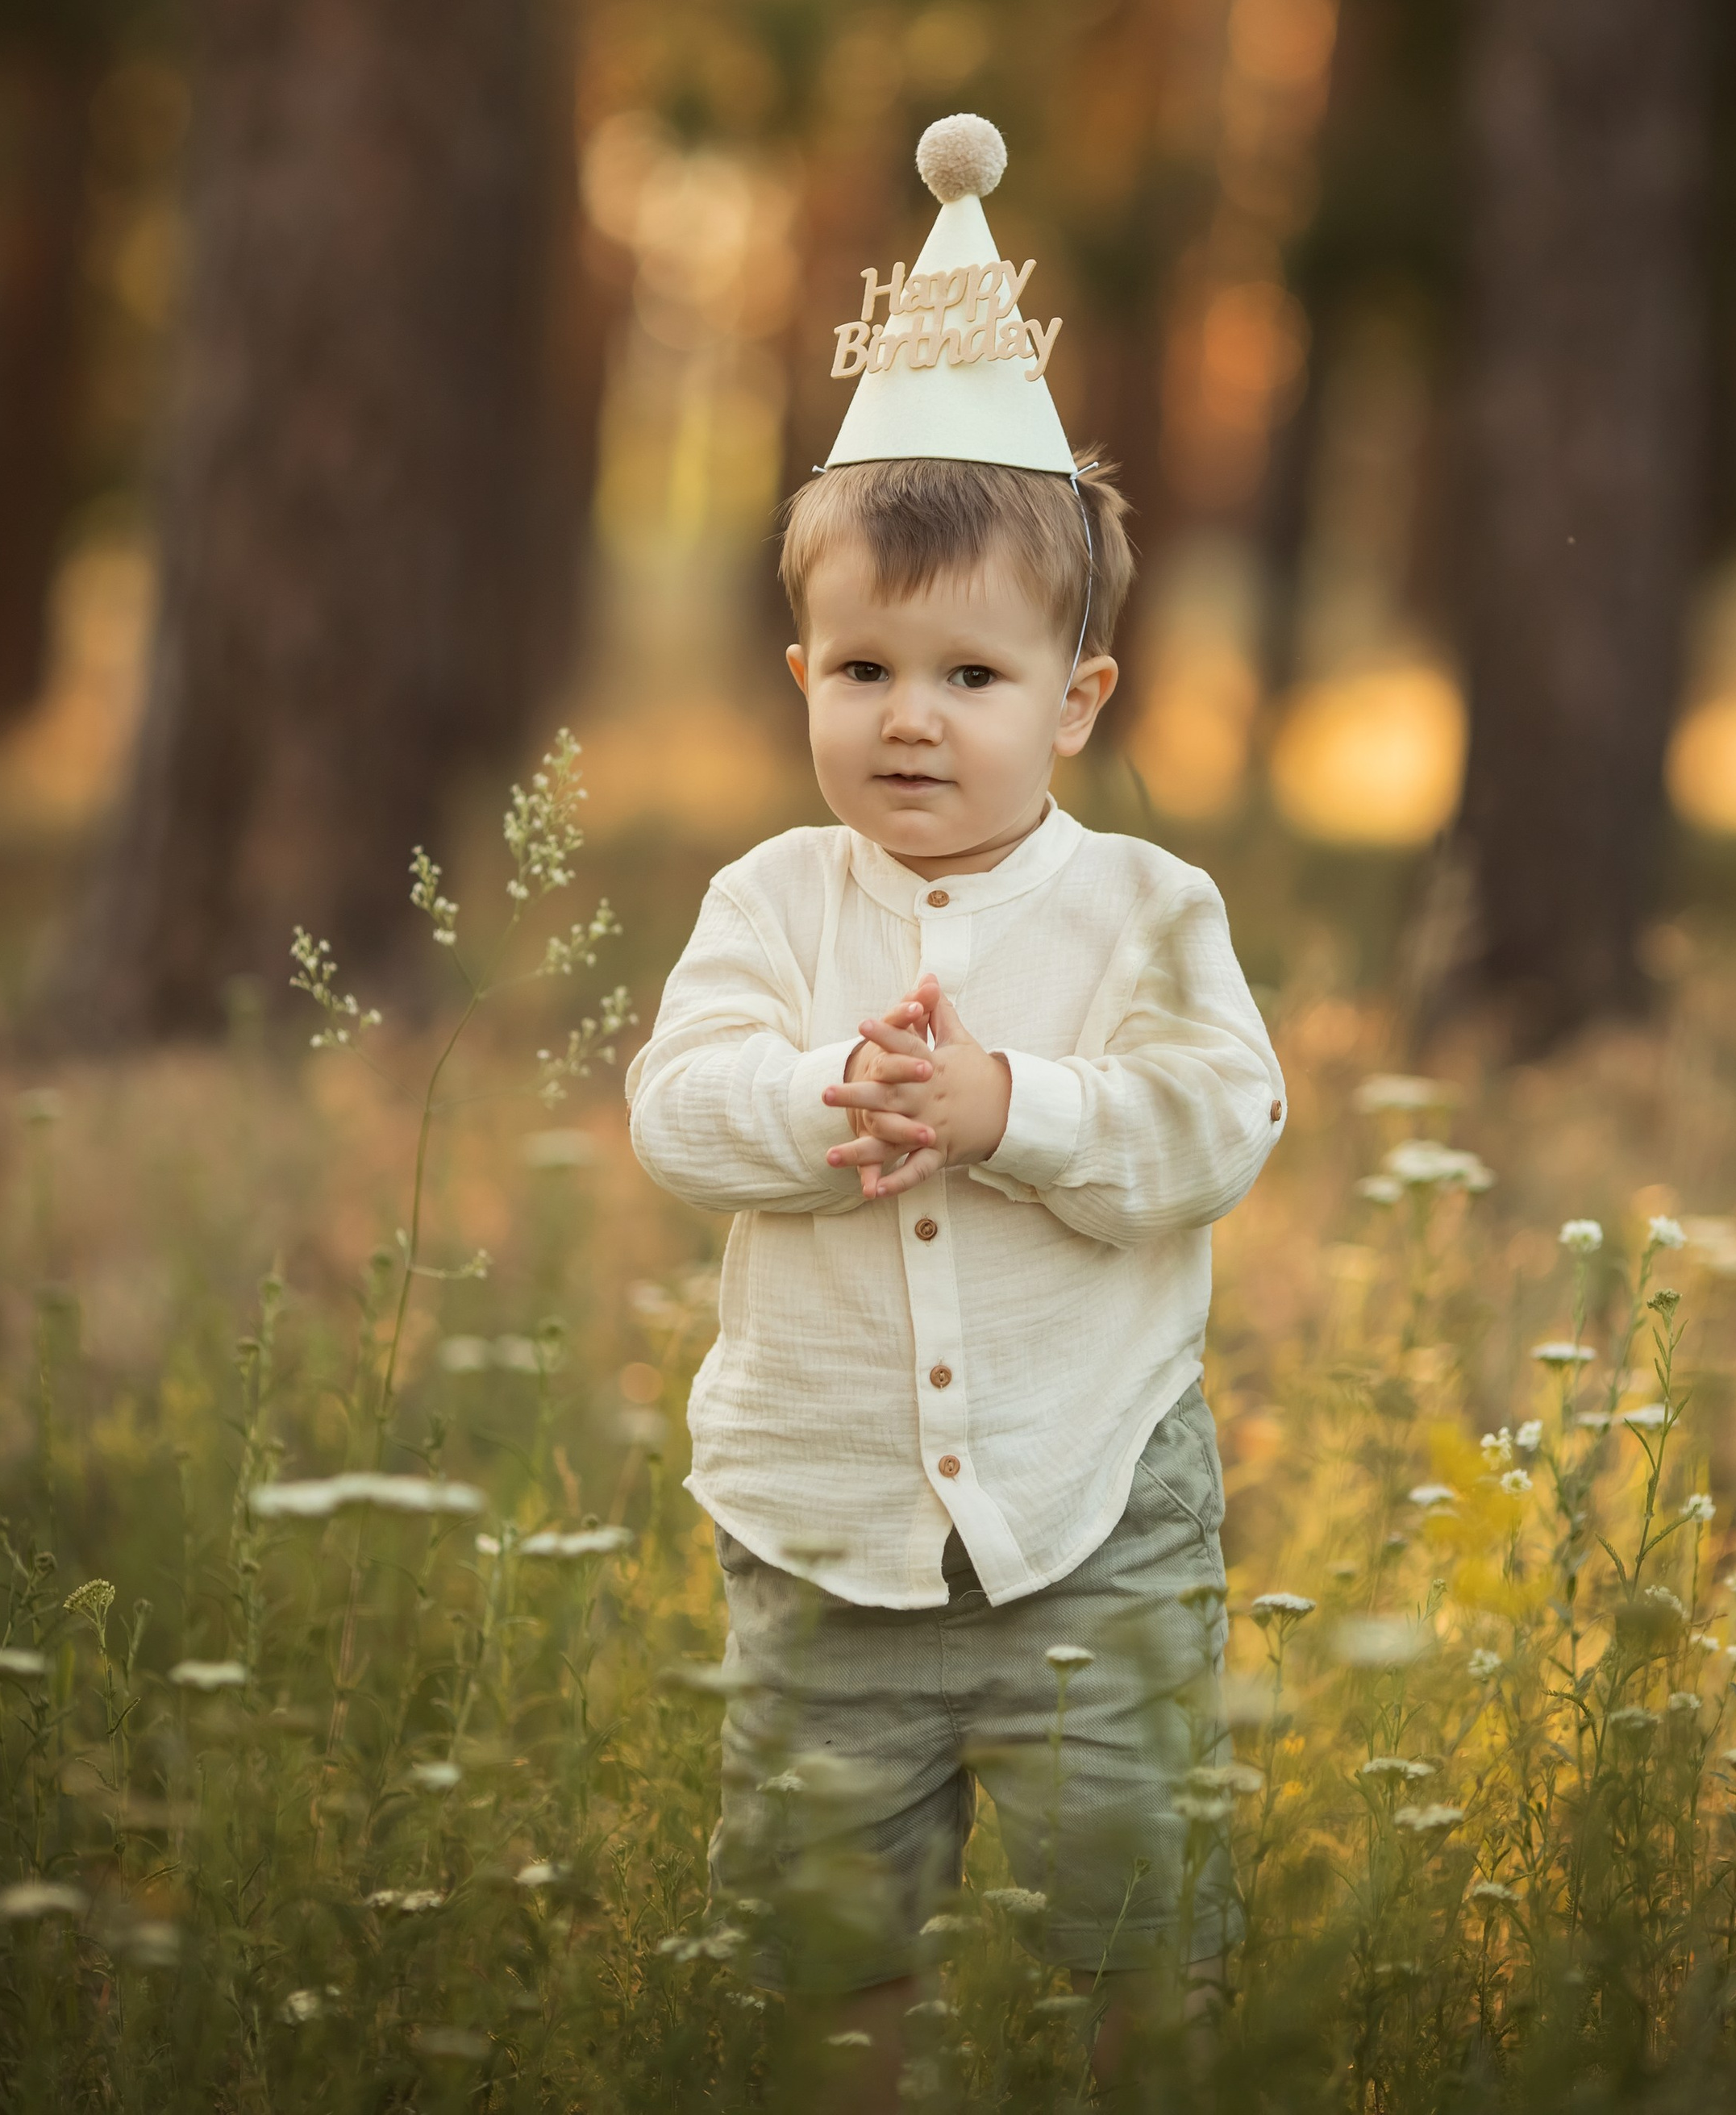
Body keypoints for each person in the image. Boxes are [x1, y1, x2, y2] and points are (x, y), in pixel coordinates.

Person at [626, 114, 1285, 2092]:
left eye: (973, 676)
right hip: (820, 1540)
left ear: (1078, 694)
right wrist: (838, 1096)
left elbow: (1216, 1125)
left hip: (1093, 1520)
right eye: (864, 668)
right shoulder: (770, 901)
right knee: (828, 1966)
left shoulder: (1143, 906)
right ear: (802, 669)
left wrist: (1011, 1109)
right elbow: (676, 1111)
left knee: (1132, 1950)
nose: (910, 716)